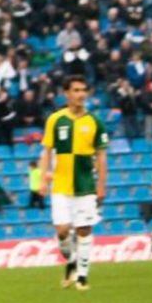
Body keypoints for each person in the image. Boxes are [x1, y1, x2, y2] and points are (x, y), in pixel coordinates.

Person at [38, 75, 108, 291]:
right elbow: (47, 152)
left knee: (84, 230)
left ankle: (83, 277)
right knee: (62, 230)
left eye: (83, 90)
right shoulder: (55, 119)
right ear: (66, 93)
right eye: (76, 90)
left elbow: (101, 157)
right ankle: (71, 261)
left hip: (86, 184)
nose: (80, 94)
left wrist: (102, 186)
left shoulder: (95, 121)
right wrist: (43, 179)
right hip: (60, 185)